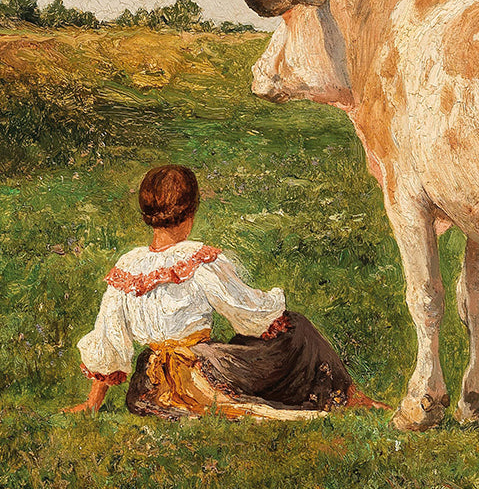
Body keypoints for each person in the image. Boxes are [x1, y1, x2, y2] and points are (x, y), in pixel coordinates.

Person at [66, 164, 385, 419]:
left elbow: (108, 338)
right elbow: (247, 312)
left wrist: (93, 403)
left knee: (239, 345)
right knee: (297, 327)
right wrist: (272, 313)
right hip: (200, 372)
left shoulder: (127, 267)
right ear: (190, 213)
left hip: (149, 388)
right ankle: (350, 397)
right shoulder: (198, 259)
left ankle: (181, 400)